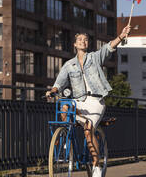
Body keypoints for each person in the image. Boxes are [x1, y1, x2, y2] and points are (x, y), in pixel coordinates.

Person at [46, 25, 131, 177]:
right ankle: (67, 136)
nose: (83, 42)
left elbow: (108, 48)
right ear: (74, 44)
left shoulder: (94, 57)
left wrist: (121, 36)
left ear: (87, 44)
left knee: (88, 130)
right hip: (79, 101)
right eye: (79, 39)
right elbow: (58, 83)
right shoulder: (69, 64)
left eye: (85, 40)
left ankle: (96, 165)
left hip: (95, 102)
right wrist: (52, 91)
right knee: (64, 105)